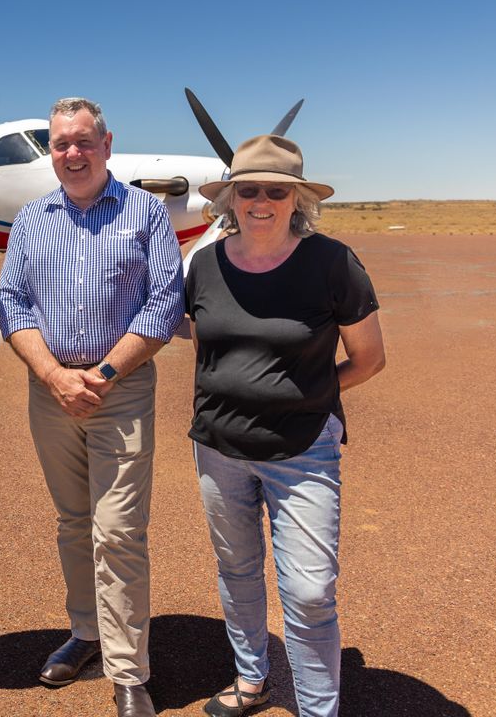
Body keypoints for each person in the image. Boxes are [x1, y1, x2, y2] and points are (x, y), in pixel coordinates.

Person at [184, 135, 385, 717]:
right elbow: (206, 347)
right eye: (249, 190)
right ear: (231, 199)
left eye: (277, 190)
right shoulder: (205, 263)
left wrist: (307, 395)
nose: (262, 201)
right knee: (238, 569)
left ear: (298, 199)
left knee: (310, 589)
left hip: (304, 449)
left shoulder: (334, 263)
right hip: (219, 447)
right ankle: (252, 679)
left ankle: (319, 709)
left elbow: (369, 358)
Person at [0, 98, 184, 717]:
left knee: (119, 530)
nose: (72, 154)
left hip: (120, 389)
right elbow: (14, 305)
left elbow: (163, 304)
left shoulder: (145, 213)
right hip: (51, 393)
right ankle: (86, 632)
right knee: (74, 522)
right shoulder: (31, 220)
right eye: (61, 145)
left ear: (107, 144)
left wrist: (100, 376)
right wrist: (54, 375)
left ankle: (129, 669)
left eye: (83, 141)